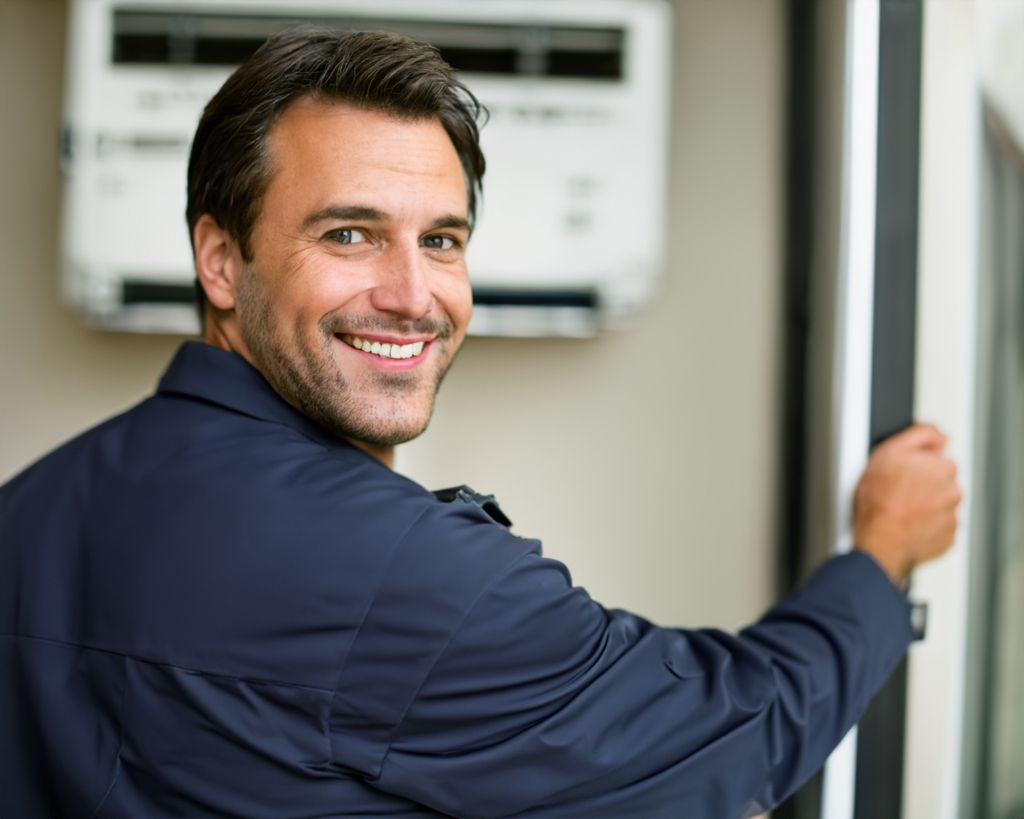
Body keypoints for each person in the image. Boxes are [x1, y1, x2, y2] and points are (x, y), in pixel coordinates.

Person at [0, 27, 961, 818]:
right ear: (221, 258)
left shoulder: (28, 511)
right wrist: (879, 556)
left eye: (442, 241)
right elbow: (740, 727)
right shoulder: (411, 579)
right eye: (350, 233)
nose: (413, 295)